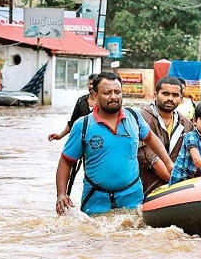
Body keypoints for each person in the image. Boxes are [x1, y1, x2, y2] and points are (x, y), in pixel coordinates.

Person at [55, 72, 173, 216]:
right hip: (96, 200)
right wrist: (61, 194)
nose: (113, 96)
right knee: (94, 235)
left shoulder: (134, 117)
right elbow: (66, 161)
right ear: (95, 95)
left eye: (117, 92)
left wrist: (168, 163)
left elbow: (151, 138)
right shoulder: (83, 125)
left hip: (132, 198)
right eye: (107, 93)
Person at [137, 76, 195, 195]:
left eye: (175, 95)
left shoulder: (186, 124)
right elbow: (147, 156)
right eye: (165, 93)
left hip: (177, 188)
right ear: (155, 94)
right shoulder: (141, 118)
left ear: (181, 97)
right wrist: (175, 184)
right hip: (147, 188)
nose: (170, 98)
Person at [49, 73, 99, 141]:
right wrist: (60, 136)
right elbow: (72, 122)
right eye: (90, 84)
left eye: (94, 84)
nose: (92, 86)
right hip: (83, 140)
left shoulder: (104, 102)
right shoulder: (81, 101)